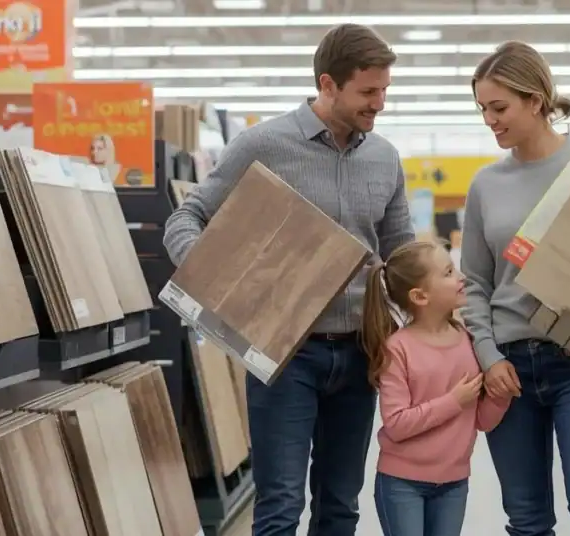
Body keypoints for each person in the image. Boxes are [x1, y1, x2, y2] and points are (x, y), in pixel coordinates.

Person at [162, 24, 414, 536]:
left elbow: (403, 257)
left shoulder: (384, 158)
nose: (379, 103)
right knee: (279, 506)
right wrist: (221, 279)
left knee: (341, 505)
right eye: (368, 92)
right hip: (285, 358)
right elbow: (185, 219)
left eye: (385, 90)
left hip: (361, 355)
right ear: (328, 84)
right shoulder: (264, 145)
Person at [459, 40, 570, 536]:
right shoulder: (485, 186)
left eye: (499, 107)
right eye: (483, 109)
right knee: (527, 518)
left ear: (536, 101)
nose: (489, 120)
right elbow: (474, 282)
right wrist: (487, 354)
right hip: (509, 368)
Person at [361, 240, 511, 536]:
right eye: (448, 273)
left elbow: (481, 420)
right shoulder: (397, 349)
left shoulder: (469, 342)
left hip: (454, 482)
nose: (461, 277)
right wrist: (453, 401)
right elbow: (397, 424)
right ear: (420, 296)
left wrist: (500, 395)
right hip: (401, 482)